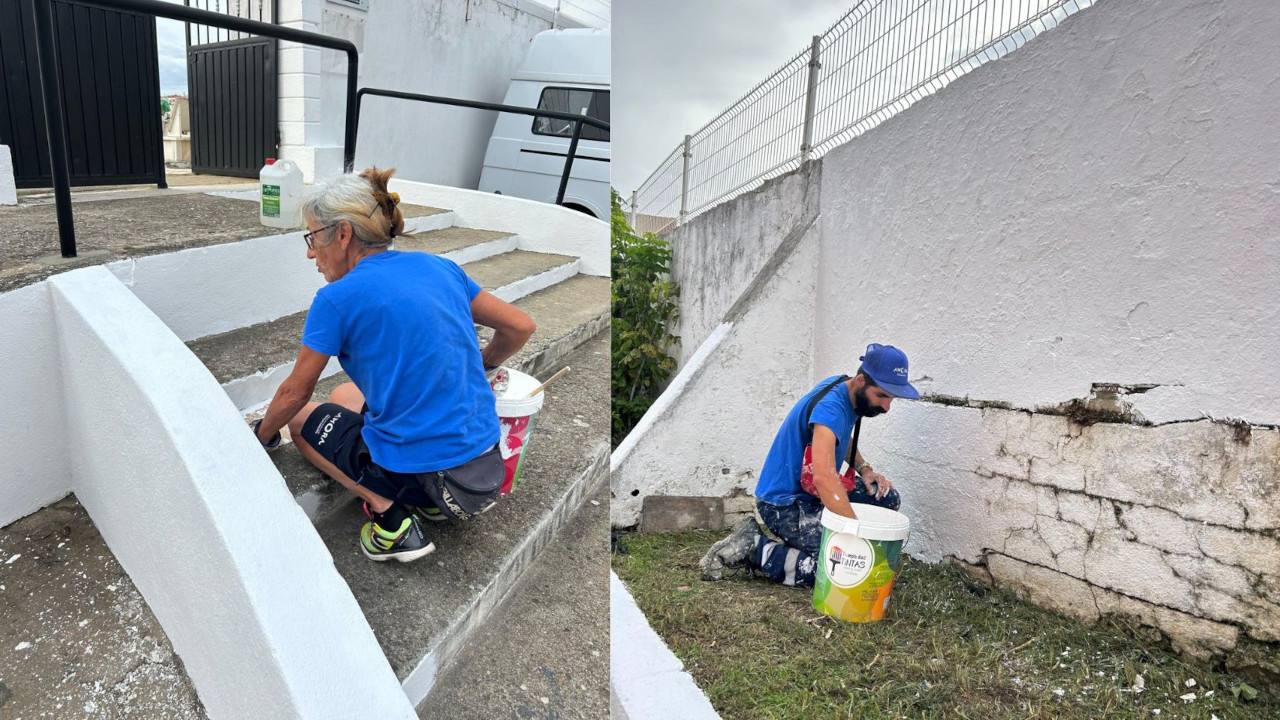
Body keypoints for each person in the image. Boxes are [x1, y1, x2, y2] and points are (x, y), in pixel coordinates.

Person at [250, 167, 536, 563]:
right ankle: (430, 502)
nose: (310, 252)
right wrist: (483, 364)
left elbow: (295, 393)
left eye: (313, 237)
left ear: (344, 234)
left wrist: (262, 436)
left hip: (435, 480)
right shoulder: (440, 267)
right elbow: (521, 325)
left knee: (300, 421)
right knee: (342, 395)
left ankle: (391, 520)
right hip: (485, 472)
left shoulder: (335, 299)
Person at [699, 343, 919, 588]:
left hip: (811, 494)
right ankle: (754, 546)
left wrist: (865, 469)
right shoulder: (831, 409)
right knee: (835, 568)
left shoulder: (845, 390)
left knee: (886, 499)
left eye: (892, 399)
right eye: (881, 396)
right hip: (784, 503)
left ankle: (813, 535)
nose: (887, 407)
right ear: (860, 381)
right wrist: (854, 536)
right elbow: (824, 479)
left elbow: (837, 439)